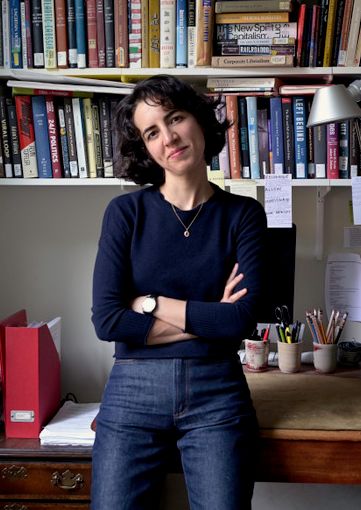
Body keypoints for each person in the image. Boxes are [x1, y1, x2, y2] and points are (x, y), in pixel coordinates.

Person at [91, 75, 267, 510]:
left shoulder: (243, 214)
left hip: (217, 392)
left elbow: (241, 320)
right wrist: (209, 319)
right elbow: (108, 320)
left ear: (200, 122)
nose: (169, 137)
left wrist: (149, 303)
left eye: (175, 118)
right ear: (145, 148)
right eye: (152, 131)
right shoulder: (125, 213)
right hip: (132, 391)